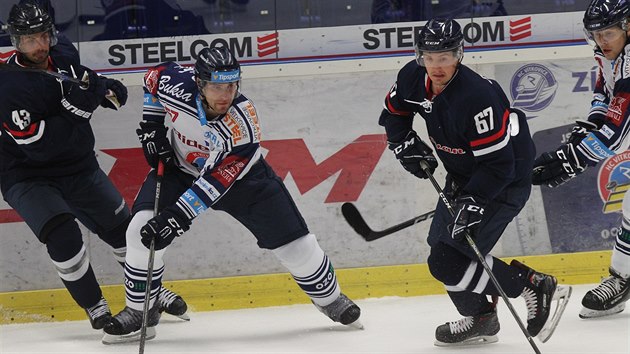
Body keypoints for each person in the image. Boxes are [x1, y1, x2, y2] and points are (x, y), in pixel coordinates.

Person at [101, 45, 362, 343]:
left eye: (231, 85)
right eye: (216, 86)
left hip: (243, 181)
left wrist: (175, 217)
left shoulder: (243, 122)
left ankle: (330, 299)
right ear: (199, 82)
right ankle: (140, 313)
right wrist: (151, 126)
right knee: (138, 232)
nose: (225, 94)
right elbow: (152, 77)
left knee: (297, 247)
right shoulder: (175, 83)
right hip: (180, 169)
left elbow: (215, 182)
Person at [378, 17, 572, 346]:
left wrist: (475, 200)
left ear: (459, 55)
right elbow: (395, 113)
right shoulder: (412, 77)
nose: (436, 66)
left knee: (447, 260)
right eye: (429, 57)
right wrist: (403, 142)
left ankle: (530, 283)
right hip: (466, 174)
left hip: (503, 180)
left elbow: (499, 165)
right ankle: (481, 318)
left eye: (445, 57)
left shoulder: (477, 97)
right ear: (419, 56)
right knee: (441, 250)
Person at [0, 0, 186, 330]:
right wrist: (80, 108)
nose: (40, 45)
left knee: (124, 232)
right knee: (63, 236)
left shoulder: (65, 52)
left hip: (79, 167)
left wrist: (102, 88)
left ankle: (150, 294)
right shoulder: (7, 86)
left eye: (43, 36)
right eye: (30, 40)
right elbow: (38, 146)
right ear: (15, 41)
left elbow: (81, 80)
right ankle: (93, 303)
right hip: (27, 174)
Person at [532, 0, 630, 319]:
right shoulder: (610, 53)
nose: (602, 41)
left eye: (609, 33)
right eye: (597, 34)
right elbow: (604, 94)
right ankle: (623, 278)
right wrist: (589, 125)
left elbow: (616, 133)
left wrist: (570, 159)